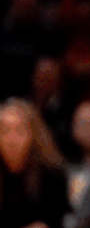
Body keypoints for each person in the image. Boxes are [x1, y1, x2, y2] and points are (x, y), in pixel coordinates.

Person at [0, 98, 69, 228]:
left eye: (19, 131)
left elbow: (52, 221)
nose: (11, 139)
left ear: (33, 134)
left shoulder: (52, 174)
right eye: (4, 131)